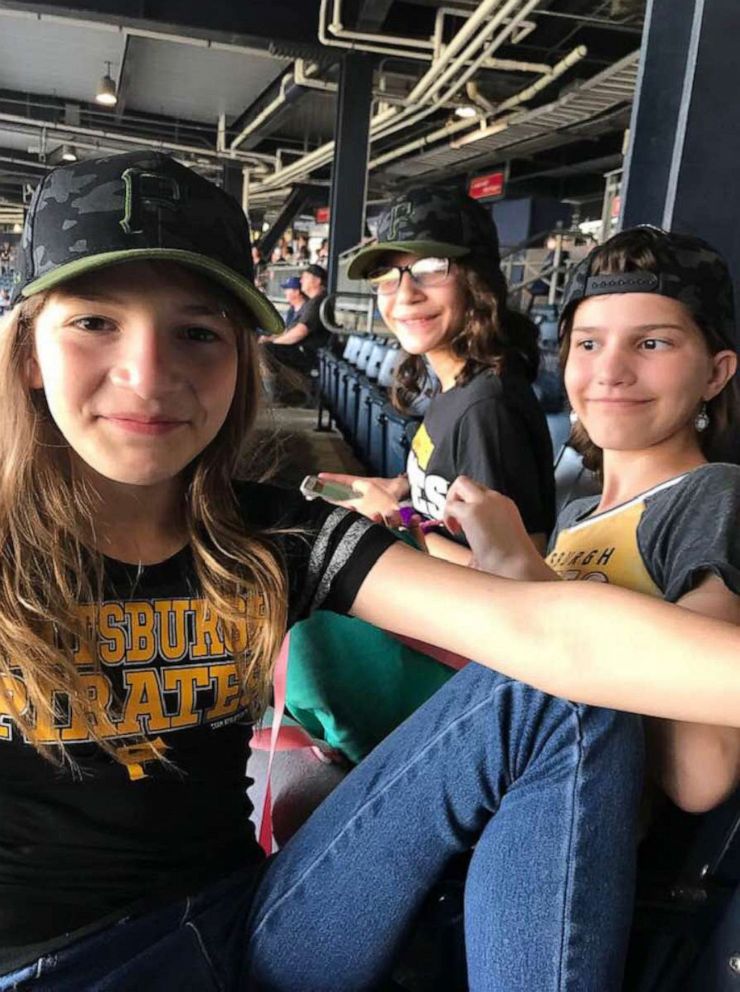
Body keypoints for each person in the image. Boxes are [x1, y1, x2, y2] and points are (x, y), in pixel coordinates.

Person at [0, 149, 734, 992]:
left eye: (198, 332)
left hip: (252, 927)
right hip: (64, 967)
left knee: (554, 690)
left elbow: (543, 633)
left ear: (241, 361)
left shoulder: (267, 533)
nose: (149, 373)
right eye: (95, 322)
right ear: (28, 353)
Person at [441, 225, 740, 817]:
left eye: (652, 344)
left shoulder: (713, 496)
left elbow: (702, 769)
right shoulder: (578, 513)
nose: (611, 371)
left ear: (715, 373)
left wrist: (521, 573)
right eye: (588, 344)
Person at [322, 185, 555, 559]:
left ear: (476, 282)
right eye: (386, 274)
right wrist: (401, 489)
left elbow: (516, 576)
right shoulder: (455, 385)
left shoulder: (488, 409)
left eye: (430, 269)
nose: (404, 293)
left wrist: (396, 518)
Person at [259, 263, 331, 398]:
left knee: (265, 350)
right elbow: (292, 331)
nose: (302, 280)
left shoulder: (318, 301)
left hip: (310, 354)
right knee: (265, 346)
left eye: (305, 277)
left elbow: (300, 332)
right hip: (304, 351)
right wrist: (272, 340)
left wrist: (274, 343)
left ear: (317, 280)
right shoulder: (313, 301)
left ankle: (275, 395)